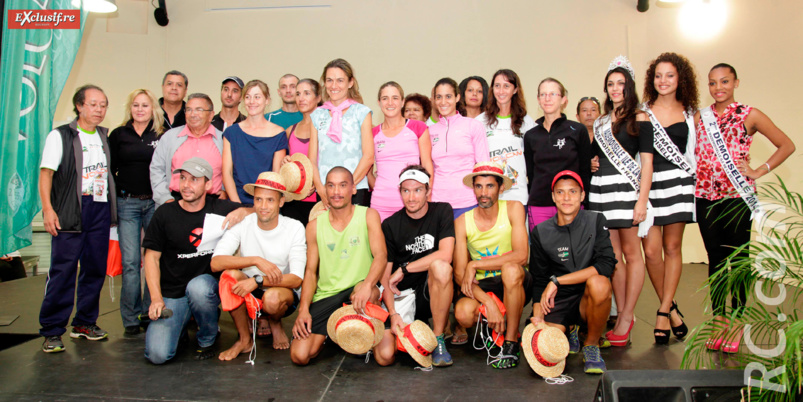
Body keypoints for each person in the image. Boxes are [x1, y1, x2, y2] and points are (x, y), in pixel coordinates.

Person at [694, 63, 794, 352]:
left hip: (737, 199)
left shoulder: (750, 115)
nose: (718, 88)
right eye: (713, 83)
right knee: (715, 261)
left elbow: (786, 144)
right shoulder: (702, 116)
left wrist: (759, 170)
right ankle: (719, 320)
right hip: (705, 198)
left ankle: (737, 321)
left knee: (737, 261)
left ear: (736, 82)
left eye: (724, 81)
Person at [143, 157, 251, 365]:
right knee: (157, 355)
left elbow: (258, 210)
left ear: (208, 184)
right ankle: (180, 324)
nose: (186, 185)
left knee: (199, 288)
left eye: (194, 179)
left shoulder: (219, 207)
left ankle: (208, 336)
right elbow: (151, 258)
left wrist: (241, 211)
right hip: (173, 294)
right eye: (183, 178)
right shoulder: (164, 213)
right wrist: (156, 299)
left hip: (205, 288)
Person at [38, 85, 116, 353]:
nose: (99, 109)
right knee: (63, 271)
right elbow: (46, 173)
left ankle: (84, 323)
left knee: (94, 269)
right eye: (93, 104)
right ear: (79, 106)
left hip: (99, 208)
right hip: (71, 208)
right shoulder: (61, 136)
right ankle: (52, 330)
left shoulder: (104, 136)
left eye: (103, 105)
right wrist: (48, 209)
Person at [290, 167, 387, 365]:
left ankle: (366, 326)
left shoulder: (369, 215)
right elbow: (310, 272)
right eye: (331, 186)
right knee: (300, 356)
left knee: (364, 292)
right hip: (327, 295)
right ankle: (334, 332)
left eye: (343, 185)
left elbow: (381, 256)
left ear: (353, 189)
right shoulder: (314, 226)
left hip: (359, 290)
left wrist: (368, 285)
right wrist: (303, 310)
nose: (336, 192)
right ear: (324, 190)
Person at [587, 57, 653, 346]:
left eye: (621, 84)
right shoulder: (601, 121)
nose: (615, 89)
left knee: (632, 253)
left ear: (630, 87)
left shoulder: (640, 117)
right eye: (611, 84)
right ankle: (624, 313)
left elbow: (647, 164)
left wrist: (642, 201)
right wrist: (591, 163)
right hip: (602, 192)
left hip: (627, 192)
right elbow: (594, 156)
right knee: (613, 258)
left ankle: (626, 315)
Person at [211, 172, 306, 357]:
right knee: (228, 276)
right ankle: (244, 339)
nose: (263, 206)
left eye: (270, 200)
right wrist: (255, 260)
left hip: (281, 291)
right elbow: (216, 262)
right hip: (251, 289)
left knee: (271, 299)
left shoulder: (294, 227)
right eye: (258, 199)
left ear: (281, 202)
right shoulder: (243, 223)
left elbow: (296, 279)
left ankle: (274, 321)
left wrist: (258, 280)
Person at [530, 170, 616, 374]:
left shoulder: (596, 221)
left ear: (582, 195)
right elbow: (540, 280)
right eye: (560, 192)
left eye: (572, 192)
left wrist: (558, 281)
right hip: (558, 301)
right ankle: (571, 329)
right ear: (553, 196)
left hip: (588, 296)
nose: (566, 198)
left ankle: (592, 345)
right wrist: (537, 318)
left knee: (600, 283)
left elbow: (607, 264)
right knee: (547, 345)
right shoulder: (541, 232)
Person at [640, 52, 698, 346]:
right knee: (651, 252)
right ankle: (672, 306)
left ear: (680, 79)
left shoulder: (690, 113)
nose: (663, 81)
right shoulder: (641, 111)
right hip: (648, 185)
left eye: (670, 76)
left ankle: (663, 310)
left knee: (672, 247)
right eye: (658, 75)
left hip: (678, 184)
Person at [372, 166, 455, 367]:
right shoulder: (390, 225)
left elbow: (445, 254)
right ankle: (414, 327)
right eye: (406, 190)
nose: (411, 197)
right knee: (385, 357)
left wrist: (405, 268)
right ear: (399, 191)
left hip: (431, 293)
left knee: (441, 267)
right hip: (403, 295)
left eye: (417, 190)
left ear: (428, 190)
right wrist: (393, 313)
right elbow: (385, 276)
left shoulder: (442, 211)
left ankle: (438, 338)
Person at [454, 162, 532, 369]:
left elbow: (522, 255)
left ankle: (510, 342)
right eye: (478, 186)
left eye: (490, 186)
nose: (484, 193)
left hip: (514, 282)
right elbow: (460, 274)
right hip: (483, 286)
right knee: (462, 313)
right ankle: (492, 325)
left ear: (501, 188)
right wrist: (488, 302)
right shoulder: (462, 221)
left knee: (511, 268)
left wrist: (476, 264)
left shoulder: (514, 208)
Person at [109, 88, 164, 335]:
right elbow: (110, 171)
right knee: (131, 263)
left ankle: (147, 311)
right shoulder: (118, 134)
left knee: (153, 260)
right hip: (127, 204)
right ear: (129, 108)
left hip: (154, 204)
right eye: (136, 105)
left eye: (145, 105)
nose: (140, 109)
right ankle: (130, 318)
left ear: (152, 108)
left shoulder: (161, 134)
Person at [524, 78, 592, 230]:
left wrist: (586, 203)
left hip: (570, 203)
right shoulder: (530, 135)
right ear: (538, 99)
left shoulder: (578, 130)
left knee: (573, 252)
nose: (547, 98)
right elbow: (531, 173)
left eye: (553, 94)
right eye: (543, 94)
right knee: (542, 251)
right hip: (539, 204)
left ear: (563, 100)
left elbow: (585, 171)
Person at [308, 59, 374, 207]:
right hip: (326, 192)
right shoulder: (317, 114)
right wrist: (321, 188)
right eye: (329, 80)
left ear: (350, 82)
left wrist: (346, 187)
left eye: (340, 80)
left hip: (355, 189)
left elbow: (368, 156)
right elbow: (311, 159)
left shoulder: (362, 112)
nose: (334, 86)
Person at [370, 82, 434, 221]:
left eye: (395, 98)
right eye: (385, 98)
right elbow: (368, 171)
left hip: (413, 203)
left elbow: (427, 165)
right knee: (381, 243)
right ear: (379, 102)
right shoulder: (373, 133)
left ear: (402, 101)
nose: (390, 103)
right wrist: (381, 188)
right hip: (381, 204)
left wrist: (426, 196)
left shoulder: (418, 127)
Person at [150, 93, 225, 208]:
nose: (192, 114)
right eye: (189, 110)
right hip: (174, 202)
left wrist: (226, 192)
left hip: (213, 204)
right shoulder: (170, 137)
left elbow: (232, 171)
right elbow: (156, 169)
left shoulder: (223, 140)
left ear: (211, 115)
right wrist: (165, 199)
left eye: (198, 110)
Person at [429, 77, 490, 219]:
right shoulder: (430, 131)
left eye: (448, 96)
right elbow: (428, 168)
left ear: (457, 97)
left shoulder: (473, 126)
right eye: (439, 97)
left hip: (468, 201)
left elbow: (483, 166)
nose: (443, 102)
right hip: (438, 203)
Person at [221, 80, 288, 205]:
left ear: (267, 100)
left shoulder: (278, 134)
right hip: (237, 203)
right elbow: (227, 173)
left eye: (257, 97)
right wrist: (237, 206)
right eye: (248, 97)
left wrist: (263, 206)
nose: (252, 102)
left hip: (266, 205)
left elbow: (275, 177)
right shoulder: (231, 133)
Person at [476, 69, 537, 206]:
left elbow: (534, 156)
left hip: (518, 193)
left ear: (515, 90)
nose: (501, 91)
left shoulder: (526, 121)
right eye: (497, 86)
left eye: (506, 86)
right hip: (490, 193)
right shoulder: (480, 121)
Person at [280, 78, 321, 225]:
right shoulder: (290, 130)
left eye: (307, 93)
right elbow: (287, 162)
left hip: (320, 198)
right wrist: (285, 161)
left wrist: (317, 184)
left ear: (318, 97)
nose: (301, 98)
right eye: (298, 94)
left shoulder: (327, 128)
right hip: (294, 200)